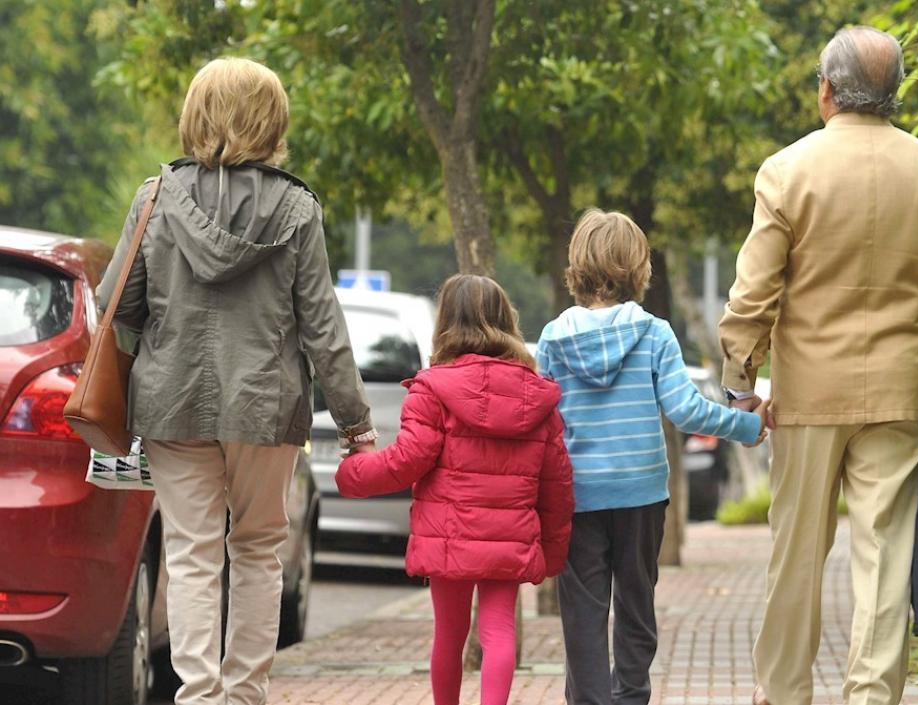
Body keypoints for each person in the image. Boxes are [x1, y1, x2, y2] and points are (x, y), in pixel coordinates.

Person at [718, 26, 918, 705]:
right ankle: (872, 695)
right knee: (883, 557)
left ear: (826, 91)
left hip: (807, 397)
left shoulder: (786, 172)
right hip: (898, 397)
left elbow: (752, 295)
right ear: (895, 95)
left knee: (795, 554)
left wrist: (740, 387)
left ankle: (784, 691)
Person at [96, 57, 376, 705]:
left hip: (173, 402)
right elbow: (323, 329)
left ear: (196, 114)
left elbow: (118, 306)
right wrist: (356, 421)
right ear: (272, 120)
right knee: (257, 549)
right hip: (266, 406)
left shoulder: (155, 198)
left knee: (192, 554)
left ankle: (198, 694)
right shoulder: (299, 209)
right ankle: (246, 694)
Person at [535, 209, 767, 705]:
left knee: (583, 613)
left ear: (579, 264)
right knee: (637, 606)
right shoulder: (654, 332)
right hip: (641, 494)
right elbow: (684, 411)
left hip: (578, 496)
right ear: (637, 266)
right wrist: (747, 425)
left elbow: (542, 422)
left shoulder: (553, 338)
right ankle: (632, 697)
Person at [335, 274, 574, 705]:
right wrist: (552, 553)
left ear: (445, 322)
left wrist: (354, 472)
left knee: (450, 634)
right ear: (507, 320)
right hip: (509, 537)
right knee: (499, 631)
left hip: (450, 535)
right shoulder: (536, 397)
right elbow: (557, 484)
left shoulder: (432, 389)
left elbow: (407, 460)